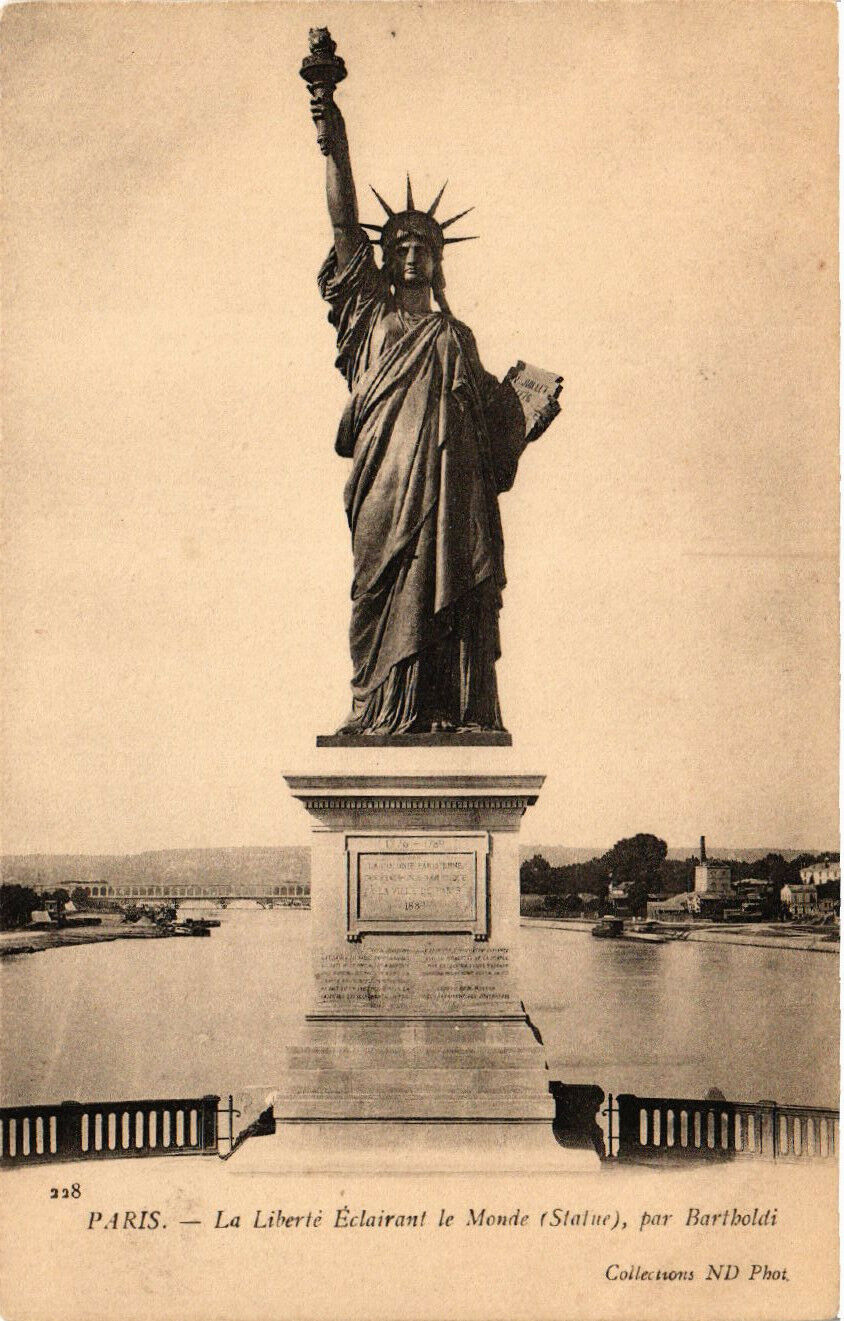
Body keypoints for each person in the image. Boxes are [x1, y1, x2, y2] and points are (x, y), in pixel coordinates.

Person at [313, 98, 527, 735]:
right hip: (383, 488)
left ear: (438, 260)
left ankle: (443, 710)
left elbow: (491, 432)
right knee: (378, 592)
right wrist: (330, 131)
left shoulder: (456, 336)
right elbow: (344, 223)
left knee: (448, 589)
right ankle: (377, 709)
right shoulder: (367, 319)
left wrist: (524, 411)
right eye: (400, 245)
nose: (411, 255)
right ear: (383, 258)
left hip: (450, 497)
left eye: (424, 247)